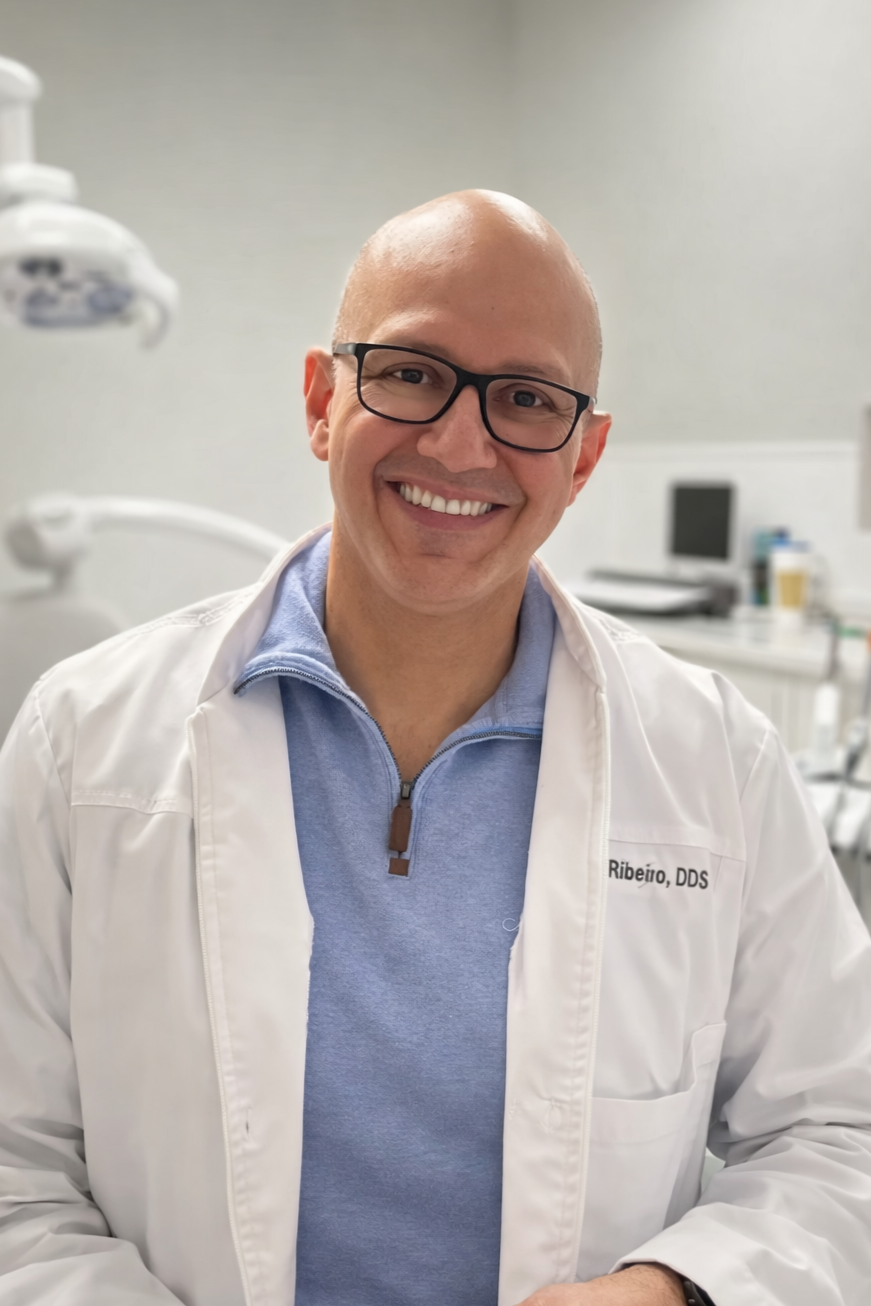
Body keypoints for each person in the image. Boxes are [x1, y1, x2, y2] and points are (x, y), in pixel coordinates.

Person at [0, 190, 869, 1306]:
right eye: (411, 373)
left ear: (584, 456)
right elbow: (15, 1165)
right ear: (323, 401)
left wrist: (671, 1290)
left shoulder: (714, 761)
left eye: (527, 398)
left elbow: (839, 1130)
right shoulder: (83, 738)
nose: (461, 444)